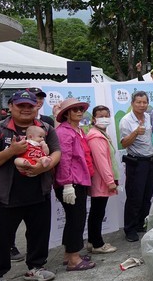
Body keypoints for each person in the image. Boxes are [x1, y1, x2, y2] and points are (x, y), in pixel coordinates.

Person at [0, 90, 60, 281]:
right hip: (5, 195)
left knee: (39, 233)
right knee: (0, 238)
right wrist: (12, 151)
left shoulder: (46, 128)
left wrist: (44, 168)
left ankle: (35, 267)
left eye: (30, 106)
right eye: (21, 105)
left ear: (37, 107)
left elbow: (57, 152)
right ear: (11, 106)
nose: (26, 109)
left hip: (39, 192)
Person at [53, 98, 96, 271]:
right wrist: (67, 184)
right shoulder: (64, 132)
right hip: (71, 182)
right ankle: (74, 260)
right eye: (75, 109)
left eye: (81, 109)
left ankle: (68, 254)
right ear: (66, 113)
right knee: (76, 220)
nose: (79, 111)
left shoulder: (77, 130)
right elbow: (64, 160)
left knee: (73, 219)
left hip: (79, 180)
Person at [119, 91, 153, 243]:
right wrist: (135, 132)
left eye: (144, 102)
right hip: (136, 162)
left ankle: (141, 224)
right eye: (138, 102)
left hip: (151, 161)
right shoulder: (126, 120)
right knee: (135, 197)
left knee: (147, 195)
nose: (142, 105)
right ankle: (130, 229)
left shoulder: (149, 116)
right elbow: (124, 143)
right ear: (132, 103)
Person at [85, 105, 119, 254]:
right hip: (101, 181)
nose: (104, 119)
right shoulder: (96, 136)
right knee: (97, 212)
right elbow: (101, 161)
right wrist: (110, 181)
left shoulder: (100, 133)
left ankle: (92, 241)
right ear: (93, 119)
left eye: (106, 115)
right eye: (100, 116)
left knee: (96, 211)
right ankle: (98, 244)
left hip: (101, 180)